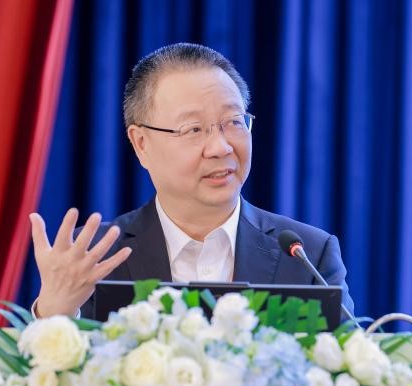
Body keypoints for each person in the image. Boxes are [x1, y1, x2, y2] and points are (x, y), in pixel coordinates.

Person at [29, 42, 354, 320]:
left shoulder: (307, 256)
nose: (221, 147)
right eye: (194, 129)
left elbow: (348, 363)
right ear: (141, 143)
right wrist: (54, 312)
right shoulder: (92, 258)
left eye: (234, 122)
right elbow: (50, 370)